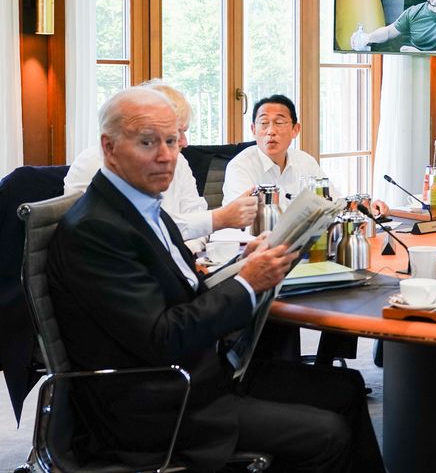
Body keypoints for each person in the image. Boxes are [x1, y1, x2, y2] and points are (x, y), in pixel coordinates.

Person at [47, 87, 384, 472]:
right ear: (108, 148)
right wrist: (247, 284)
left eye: (172, 141)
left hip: (201, 373)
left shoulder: (141, 205)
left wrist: (240, 267)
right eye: (147, 142)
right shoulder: (98, 229)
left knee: (348, 387)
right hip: (160, 404)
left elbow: (186, 293)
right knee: (327, 433)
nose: (166, 155)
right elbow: (164, 338)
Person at [64, 80, 257, 246]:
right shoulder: (95, 168)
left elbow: (194, 215)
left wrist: (190, 251)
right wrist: (218, 219)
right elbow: (138, 233)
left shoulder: (178, 160)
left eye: (172, 139)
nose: (183, 144)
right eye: (150, 141)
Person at [223, 94, 389, 216]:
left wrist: (364, 208)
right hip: (248, 249)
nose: (271, 131)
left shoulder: (305, 161)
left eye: (279, 123)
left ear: (296, 129)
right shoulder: (240, 167)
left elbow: (333, 202)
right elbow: (243, 220)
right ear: (253, 130)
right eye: (264, 123)